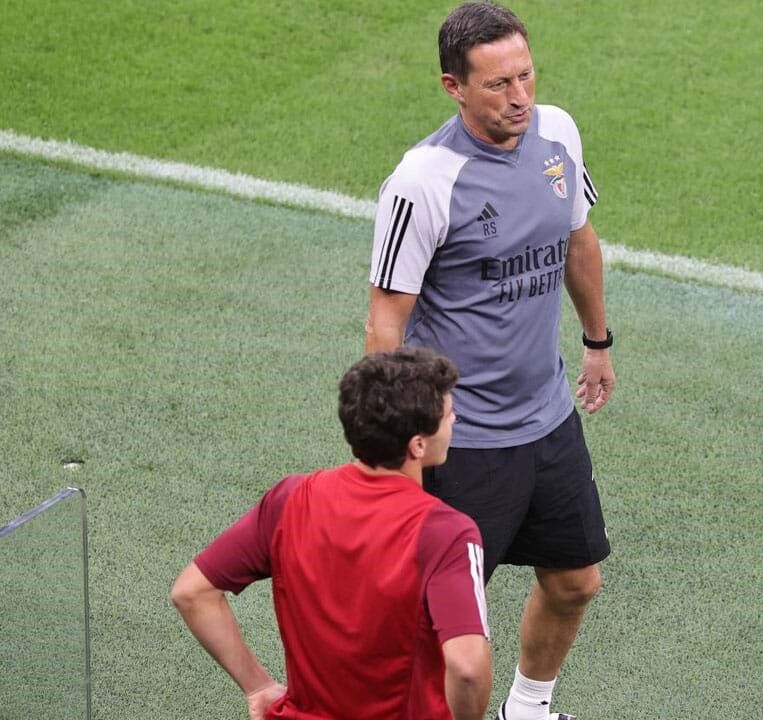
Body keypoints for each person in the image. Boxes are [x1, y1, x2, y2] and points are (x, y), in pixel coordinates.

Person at [363, 3, 613, 719]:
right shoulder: (423, 180)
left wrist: (597, 342)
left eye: (526, 76)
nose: (520, 97)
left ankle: (527, 708)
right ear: (455, 87)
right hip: (462, 437)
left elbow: (578, 241)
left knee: (574, 580)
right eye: (499, 84)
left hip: (548, 414)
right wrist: (395, 446)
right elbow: (386, 320)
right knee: (440, 623)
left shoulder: (558, 133)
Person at [170, 348, 492, 720]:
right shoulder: (447, 533)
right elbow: (467, 669)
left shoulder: (290, 499)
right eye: (449, 414)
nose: (455, 419)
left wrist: (258, 686)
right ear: (417, 445)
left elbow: (192, 592)